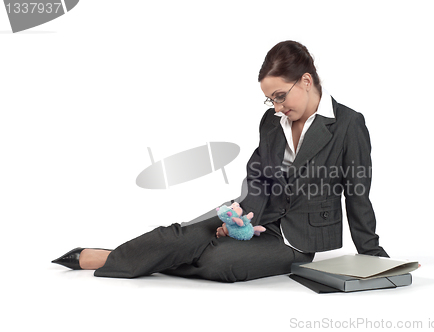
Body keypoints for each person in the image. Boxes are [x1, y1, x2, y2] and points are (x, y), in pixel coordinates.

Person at [52, 40, 389, 282]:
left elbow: (357, 191)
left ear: (305, 80)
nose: (276, 107)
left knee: (218, 261)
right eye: (270, 100)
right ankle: (115, 256)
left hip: (296, 240)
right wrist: (241, 217)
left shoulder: (348, 124)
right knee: (179, 235)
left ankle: (121, 258)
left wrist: (371, 255)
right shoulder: (272, 123)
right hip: (252, 215)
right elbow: (258, 175)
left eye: (281, 96)